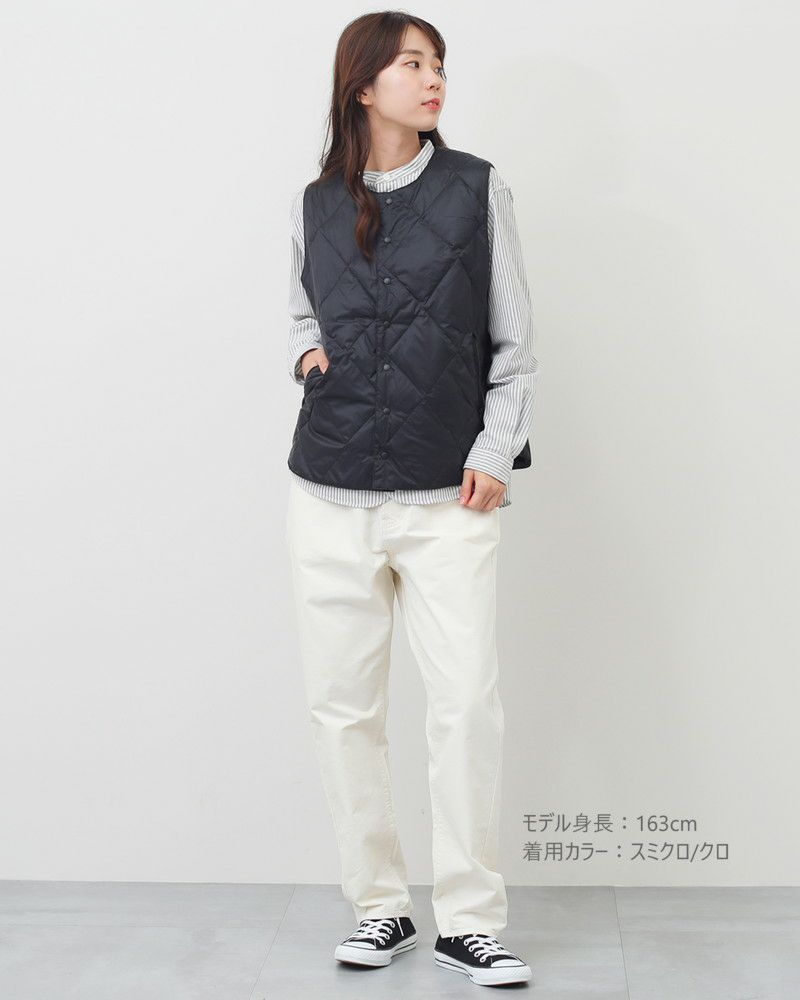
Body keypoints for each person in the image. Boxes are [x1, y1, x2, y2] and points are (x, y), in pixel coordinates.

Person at [284, 11, 538, 988]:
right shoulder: (313, 204)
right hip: (329, 493)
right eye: (411, 64)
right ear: (363, 86)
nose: (433, 80)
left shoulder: (477, 188)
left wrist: (495, 449)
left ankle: (469, 920)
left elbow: (515, 342)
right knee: (343, 711)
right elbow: (300, 311)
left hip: (448, 498)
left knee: (464, 705)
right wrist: (307, 356)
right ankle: (380, 908)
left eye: (438, 65)